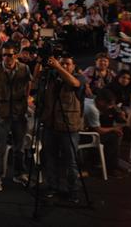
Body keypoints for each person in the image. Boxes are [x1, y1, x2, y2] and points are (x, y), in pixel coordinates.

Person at [0, 43, 34, 192]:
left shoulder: (24, 68)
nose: (7, 58)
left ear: (15, 55)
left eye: (10, 55)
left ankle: (19, 173)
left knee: (20, 146)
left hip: (19, 110)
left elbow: (29, 82)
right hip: (2, 112)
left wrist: (26, 97)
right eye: (4, 54)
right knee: (0, 147)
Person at [40, 54, 85, 204]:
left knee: (70, 161)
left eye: (67, 64)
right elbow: (36, 85)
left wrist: (58, 67)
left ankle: (73, 190)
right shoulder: (52, 77)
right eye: (62, 64)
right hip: (50, 124)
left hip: (69, 127)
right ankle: (52, 186)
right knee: (50, 157)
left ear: (73, 66)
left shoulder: (79, 78)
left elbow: (74, 84)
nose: (64, 66)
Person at [83, 89, 127, 178]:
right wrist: (114, 129)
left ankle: (98, 162)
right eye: (109, 104)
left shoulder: (89, 100)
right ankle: (111, 168)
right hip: (82, 136)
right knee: (113, 137)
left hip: (80, 131)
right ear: (101, 101)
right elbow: (98, 130)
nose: (110, 107)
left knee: (110, 134)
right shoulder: (93, 109)